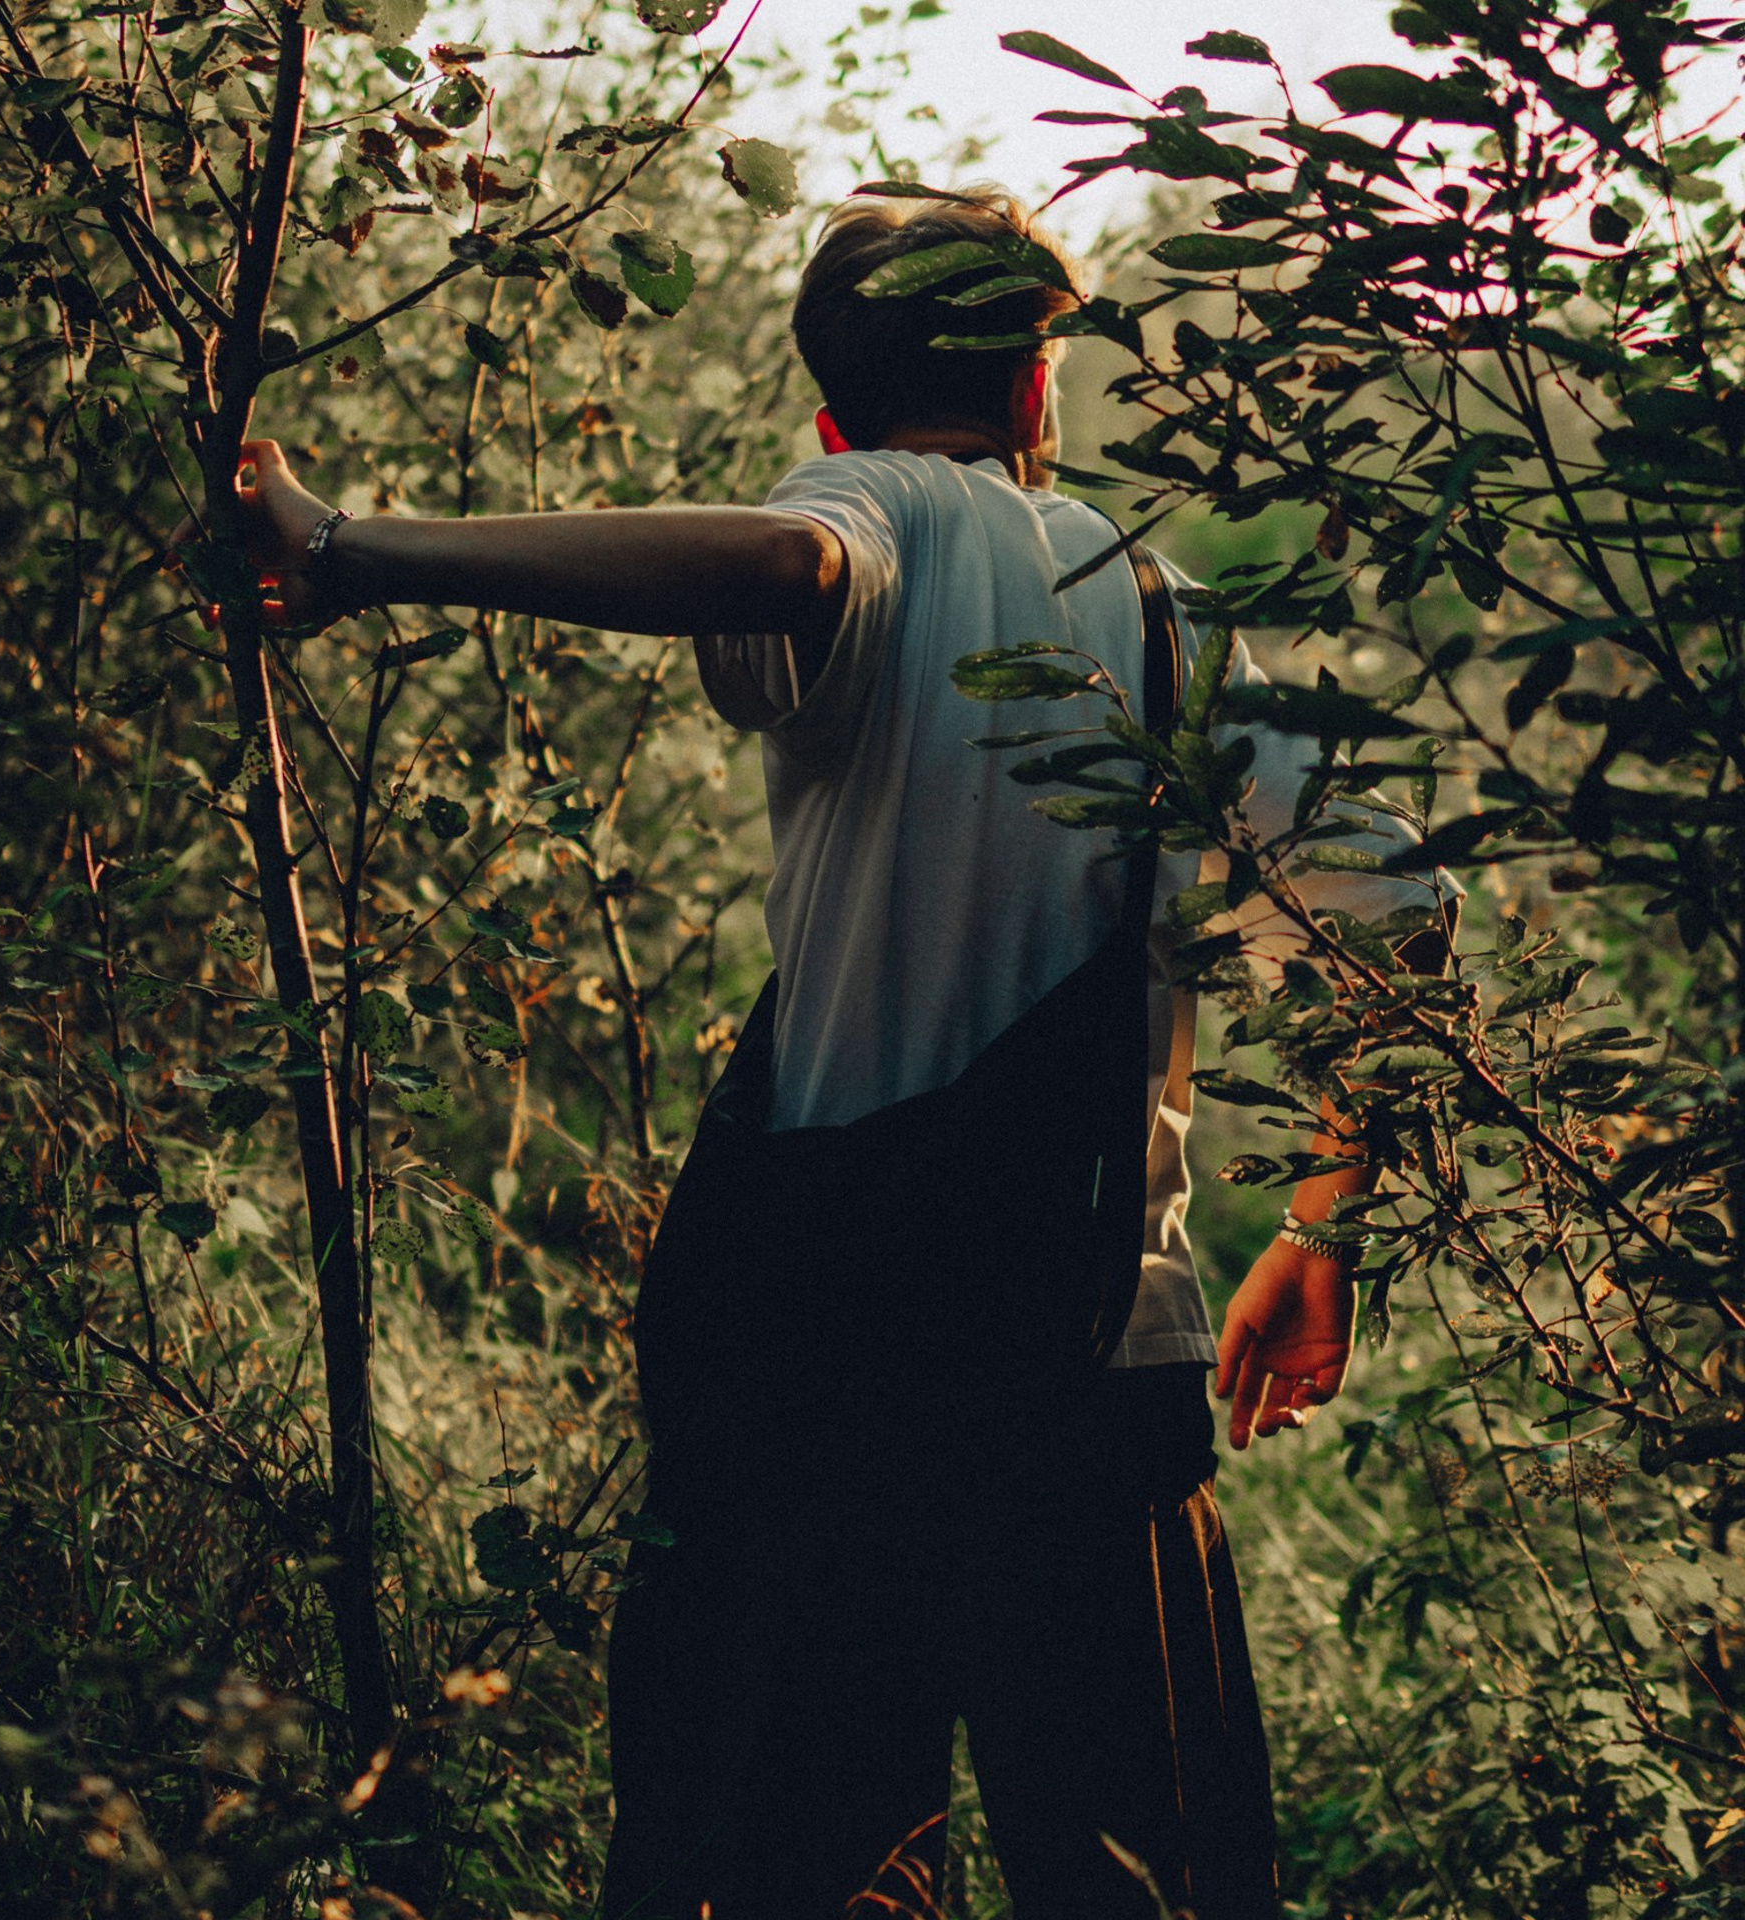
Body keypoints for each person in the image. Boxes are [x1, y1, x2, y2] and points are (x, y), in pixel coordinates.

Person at [219, 186, 1451, 1919]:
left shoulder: (865, 509)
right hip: (1109, 1373)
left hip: (841, 1377)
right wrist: (1321, 1235)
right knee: (1146, 1884)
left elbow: (798, 565)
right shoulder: (1162, 615)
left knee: (797, 1871)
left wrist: (355, 550)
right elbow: (1401, 912)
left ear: (829, 409)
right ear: (1042, 386)